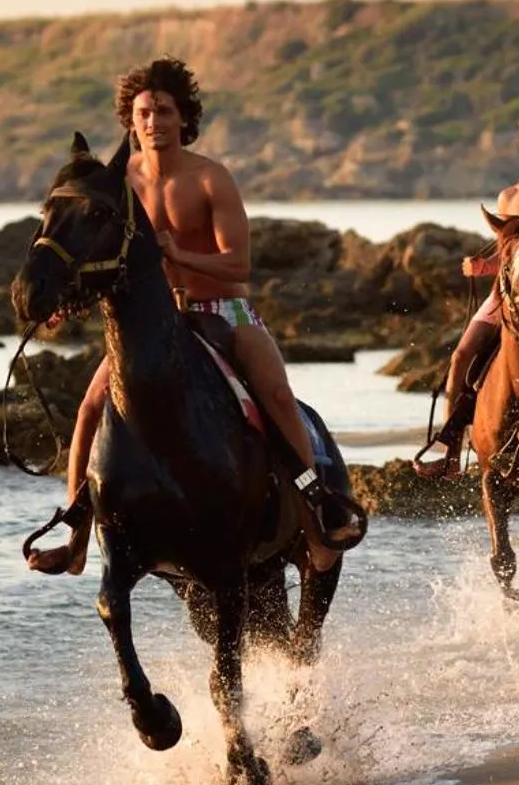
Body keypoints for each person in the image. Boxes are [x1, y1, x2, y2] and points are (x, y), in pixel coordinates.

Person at [30, 57, 368, 575]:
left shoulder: (211, 178)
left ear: (183, 118)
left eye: (164, 111)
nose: (153, 123)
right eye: (143, 112)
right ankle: (76, 537)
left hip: (222, 309)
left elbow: (240, 264)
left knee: (276, 395)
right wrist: (64, 300)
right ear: (130, 119)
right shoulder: (118, 185)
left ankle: (316, 510)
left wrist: (177, 255)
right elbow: (94, 258)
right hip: (153, 325)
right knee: (91, 406)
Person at [413, 102, 519, 477]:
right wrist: (482, 267)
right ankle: (451, 449)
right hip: (506, 294)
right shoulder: (509, 197)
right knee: (462, 355)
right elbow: (508, 256)